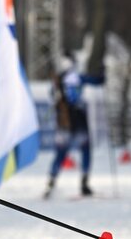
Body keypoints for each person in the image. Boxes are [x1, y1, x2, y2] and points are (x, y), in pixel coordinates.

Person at [44, 55, 104, 198]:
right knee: (85, 149)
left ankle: (51, 183)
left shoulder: (57, 80)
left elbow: (52, 95)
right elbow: (97, 81)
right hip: (78, 118)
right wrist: (102, 72)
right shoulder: (76, 77)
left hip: (63, 121)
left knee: (60, 153)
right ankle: (84, 184)